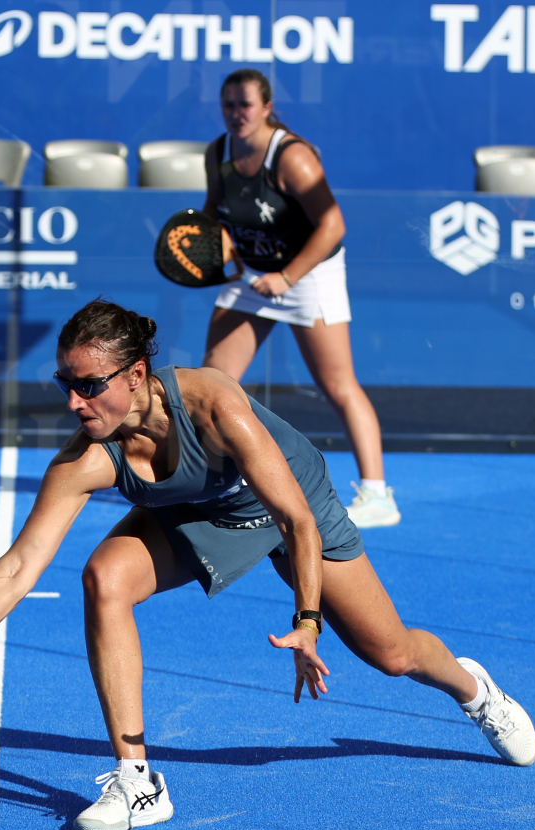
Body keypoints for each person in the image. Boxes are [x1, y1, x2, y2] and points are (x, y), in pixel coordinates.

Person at [0, 300, 535, 830]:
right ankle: (138, 782)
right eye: (65, 385)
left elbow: (297, 523)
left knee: (392, 654)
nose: (74, 402)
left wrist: (307, 622)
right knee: (104, 576)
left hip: (288, 504)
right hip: (200, 511)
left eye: (89, 386)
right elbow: (18, 565)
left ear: (137, 375)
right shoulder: (84, 458)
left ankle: (476, 692)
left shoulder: (214, 406)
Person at [201, 68, 399, 528]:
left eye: (244, 105)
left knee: (338, 386)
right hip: (251, 274)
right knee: (211, 383)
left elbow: (333, 225)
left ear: (266, 108)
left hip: (309, 274)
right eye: (228, 105)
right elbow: (215, 212)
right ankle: (212, 485)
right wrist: (218, 246)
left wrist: (287, 278)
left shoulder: (293, 157)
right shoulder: (218, 152)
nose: (236, 114)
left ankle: (377, 495)